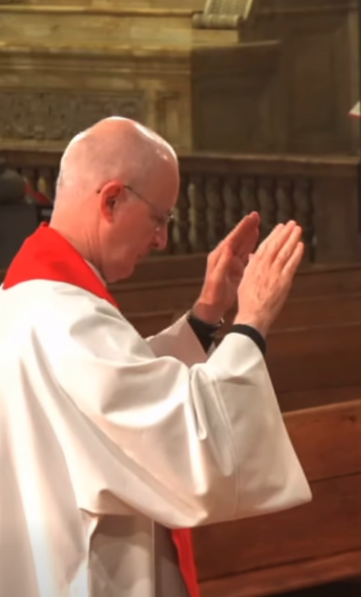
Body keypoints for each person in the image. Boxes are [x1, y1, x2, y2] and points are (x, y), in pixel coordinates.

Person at [0, 116, 312, 597]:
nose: (162, 239)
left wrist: (206, 314)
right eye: (159, 219)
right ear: (111, 200)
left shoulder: (29, 302)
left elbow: (119, 391)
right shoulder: (68, 320)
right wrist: (253, 320)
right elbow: (194, 449)